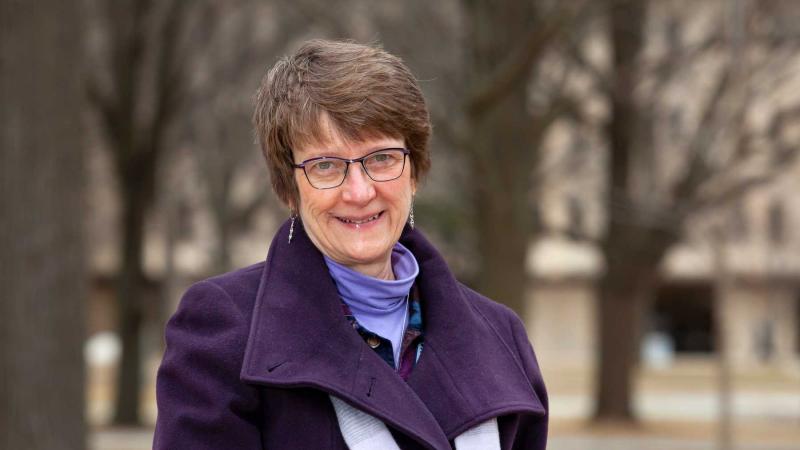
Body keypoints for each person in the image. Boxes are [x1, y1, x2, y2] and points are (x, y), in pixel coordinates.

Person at [153, 39, 548, 450]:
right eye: (325, 165)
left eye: (381, 158)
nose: (359, 192)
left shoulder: (501, 336)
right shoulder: (223, 330)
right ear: (290, 189)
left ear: (413, 173)